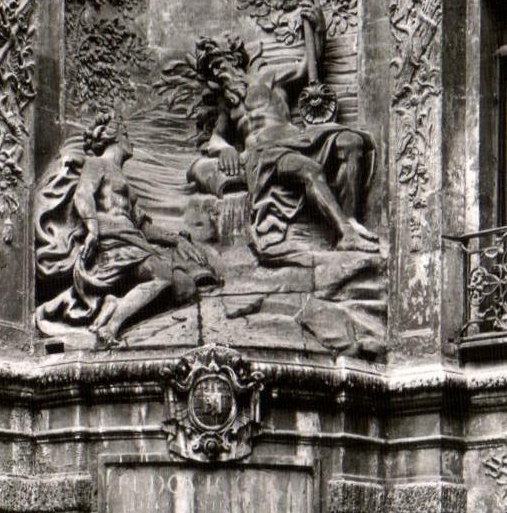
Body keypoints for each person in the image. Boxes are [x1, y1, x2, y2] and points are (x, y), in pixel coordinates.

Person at [35, 114, 218, 345]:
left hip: (134, 240)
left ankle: (114, 304)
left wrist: (177, 240)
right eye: (126, 136)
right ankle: (112, 326)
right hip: (113, 240)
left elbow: (144, 227)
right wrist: (92, 229)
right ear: (115, 137)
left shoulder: (126, 183)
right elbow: (83, 195)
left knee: (186, 288)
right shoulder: (97, 164)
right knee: (162, 274)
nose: (131, 142)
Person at [187, 38, 378, 257]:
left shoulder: (268, 78)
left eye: (219, 65)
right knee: (310, 169)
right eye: (212, 70)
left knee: (351, 141)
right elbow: (215, 139)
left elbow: (306, 67)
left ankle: (350, 218)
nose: (217, 72)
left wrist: (318, 28)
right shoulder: (228, 103)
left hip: (297, 139)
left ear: (235, 61)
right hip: (264, 153)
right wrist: (226, 149)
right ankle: (346, 235)